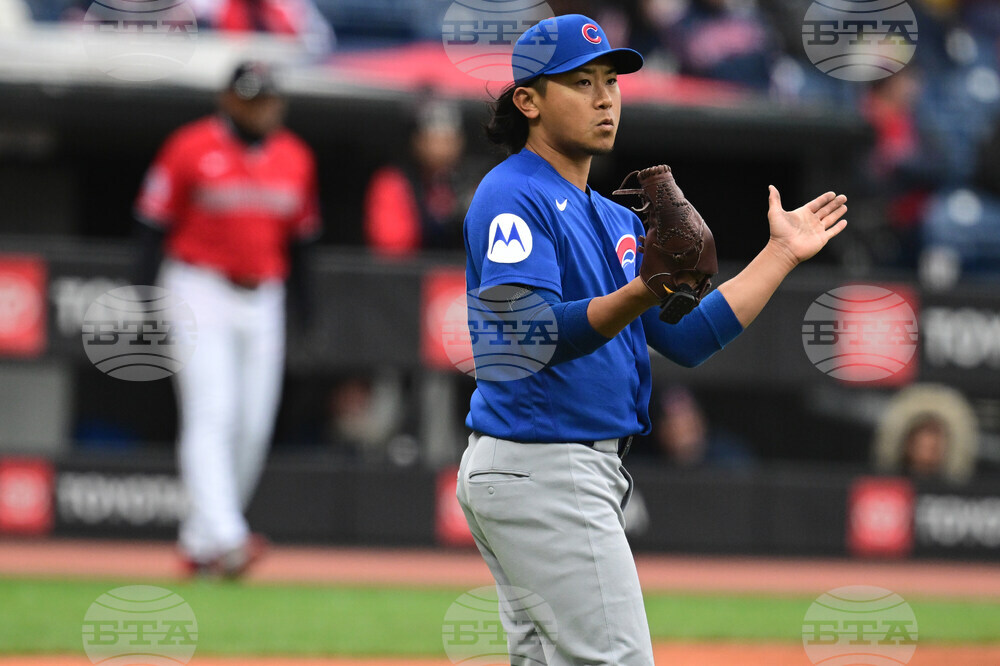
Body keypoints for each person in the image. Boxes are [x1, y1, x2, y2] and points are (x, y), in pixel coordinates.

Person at [455, 14, 846, 664]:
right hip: (544, 462)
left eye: (611, 81)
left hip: (556, 467)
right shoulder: (510, 196)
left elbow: (688, 337)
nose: (605, 97)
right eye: (581, 83)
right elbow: (530, 330)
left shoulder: (612, 216)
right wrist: (643, 290)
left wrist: (779, 254)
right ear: (527, 100)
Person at [133, 60, 320, 577]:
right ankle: (229, 535)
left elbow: (303, 243)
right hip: (198, 286)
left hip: (264, 293)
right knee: (212, 413)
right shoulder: (190, 145)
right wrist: (146, 300)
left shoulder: (295, 156)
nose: (260, 108)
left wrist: (306, 310)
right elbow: (151, 227)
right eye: (250, 98)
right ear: (228, 100)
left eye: (267, 99)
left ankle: (202, 543)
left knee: (253, 426)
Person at [363, 96, 479, 256]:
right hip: (408, 275)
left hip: (462, 275)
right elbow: (391, 247)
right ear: (417, 141)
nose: (441, 149)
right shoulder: (393, 182)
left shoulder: (475, 182)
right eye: (433, 139)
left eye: (448, 140)